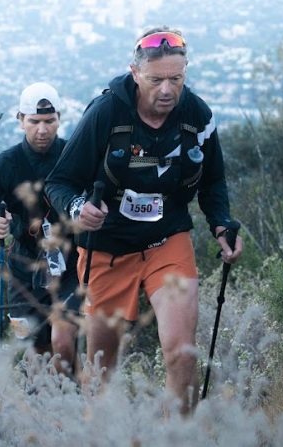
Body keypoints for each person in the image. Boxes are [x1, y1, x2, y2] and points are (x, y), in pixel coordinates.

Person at [44, 26, 243, 413]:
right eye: (156, 80)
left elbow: (214, 180)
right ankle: (100, 434)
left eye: (176, 79)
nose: (167, 90)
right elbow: (59, 182)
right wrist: (79, 208)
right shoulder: (106, 113)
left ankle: (177, 436)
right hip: (108, 247)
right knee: (102, 367)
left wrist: (221, 223)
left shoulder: (197, 115)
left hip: (167, 239)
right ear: (135, 73)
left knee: (182, 354)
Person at [0, 82, 80, 375]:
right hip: (22, 271)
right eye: (34, 121)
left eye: (49, 121)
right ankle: (39, 398)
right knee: (30, 347)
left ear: (59, 119)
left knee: (63, 341)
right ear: (20, 120)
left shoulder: (75, 156)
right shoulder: (2, 166)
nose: (42, 130)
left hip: (71, 266)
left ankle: (70, 396)